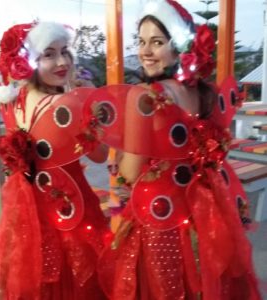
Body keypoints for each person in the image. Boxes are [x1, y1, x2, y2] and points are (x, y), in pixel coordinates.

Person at [97, 1, 261, 299]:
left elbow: (130, 173)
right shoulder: (204, 93)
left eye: (157, 42)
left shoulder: (144, 97)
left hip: (159, 218)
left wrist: (119, 156)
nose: (145, 51)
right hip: (202, 217)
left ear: (179, 48)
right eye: (142, 41)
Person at [0, 21, 109, 299]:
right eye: (48, 54)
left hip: (27, 217)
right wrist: (91, 100)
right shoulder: (67, 104)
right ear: (28, 61)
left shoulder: (11, 102)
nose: (62, 61)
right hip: (70, 211)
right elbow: (100, 155)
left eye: (65, 51)